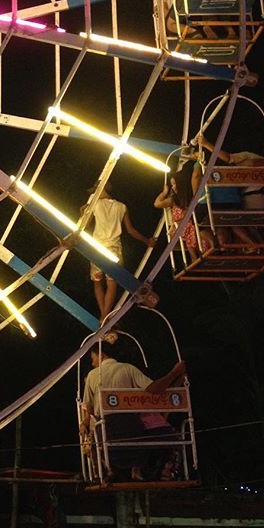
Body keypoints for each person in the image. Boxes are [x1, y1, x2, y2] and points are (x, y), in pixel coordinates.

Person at [80, 339, 187, 482]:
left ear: (101, 354)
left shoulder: (92, 375)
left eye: (92, 358)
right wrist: (174, 373)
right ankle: (144, 469)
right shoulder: (128, 369)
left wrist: (85, 422)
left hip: (107, 432)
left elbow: (90, 409)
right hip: (133, 430)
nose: (93, 363)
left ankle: (110, 471)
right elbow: (154, 388)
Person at [86, 183, 157, 322]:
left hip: (97, 247)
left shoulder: (95, 204)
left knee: (97, 282)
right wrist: (147, 241)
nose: (94, 193)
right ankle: (104, 316)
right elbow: (130, 231)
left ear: (102, 190)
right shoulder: (122, 206)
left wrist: (84, 210)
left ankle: (103, 316)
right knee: (112, 283)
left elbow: (85, 223)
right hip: (114, 249)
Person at [154, 170, 212, 261]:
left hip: (193, 224)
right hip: (181, 227)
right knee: (189, 229)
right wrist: (164, 192)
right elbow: (157, 204)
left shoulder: (190, 195)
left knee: (194, 227)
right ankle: (195, 258)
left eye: (174, 184)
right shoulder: (173, 199)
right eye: (172, 185)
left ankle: (203, 253)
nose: (173, 187)